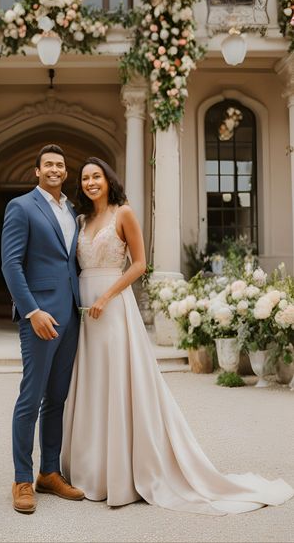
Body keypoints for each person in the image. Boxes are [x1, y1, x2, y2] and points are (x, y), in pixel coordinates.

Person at [62, 157, 294, 514]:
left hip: (113, 306)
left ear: (108, 180)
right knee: (92, 382)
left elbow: (139, 263)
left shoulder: (123, 213)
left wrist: (107, 297)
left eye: (97, 176)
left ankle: (123, 473)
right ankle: (91, 468)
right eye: (86, 178)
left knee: (119, 381)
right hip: (85, 309)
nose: (91, 182)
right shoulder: (82, 220)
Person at [1, 144, 84, 514]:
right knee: (30, 398)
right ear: (36, 171)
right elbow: (11, 265)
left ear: (65, 173)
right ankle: (22, 478)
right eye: (47, 164)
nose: (54, 169)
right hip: (41, 317)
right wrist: (31, 310)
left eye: (60, 165)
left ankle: (49, 472)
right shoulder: (21, 207)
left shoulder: (71, 209)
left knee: (57, 398)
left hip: (72, 315)